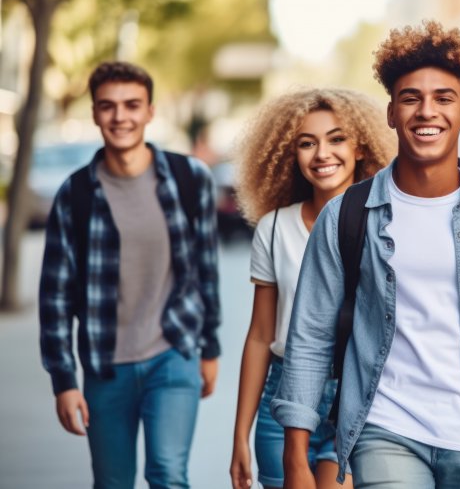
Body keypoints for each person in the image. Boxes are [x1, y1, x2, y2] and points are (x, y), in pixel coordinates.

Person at [271, 21, 460, 489]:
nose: (426, 112)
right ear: (392, 112)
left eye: (444, 99)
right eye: (411, 98)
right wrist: (296, 454)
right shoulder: (346, 217)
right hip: (384, 429)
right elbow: (310, 337)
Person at [39, 61, 221, 488]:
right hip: (106, 365)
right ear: (95, 113)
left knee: (168, 475)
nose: (120, 117)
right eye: (108, 106)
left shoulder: (189, 178)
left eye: (132, 105)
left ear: (150, 112)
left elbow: (206, 272)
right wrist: (64, 381)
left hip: (173, 353)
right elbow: (55, 297)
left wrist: (209, 348)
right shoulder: (75, 193)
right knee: (113, 482)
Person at [229, 88, 396, 489]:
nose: (322, 153)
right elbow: (259, 336)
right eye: (307, 143)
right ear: (292, 155)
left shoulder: (386, 224)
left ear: (361, 148)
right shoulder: (273, 229)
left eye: (337, 139)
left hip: (358, 394)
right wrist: (240, 434)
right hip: (284, 397)